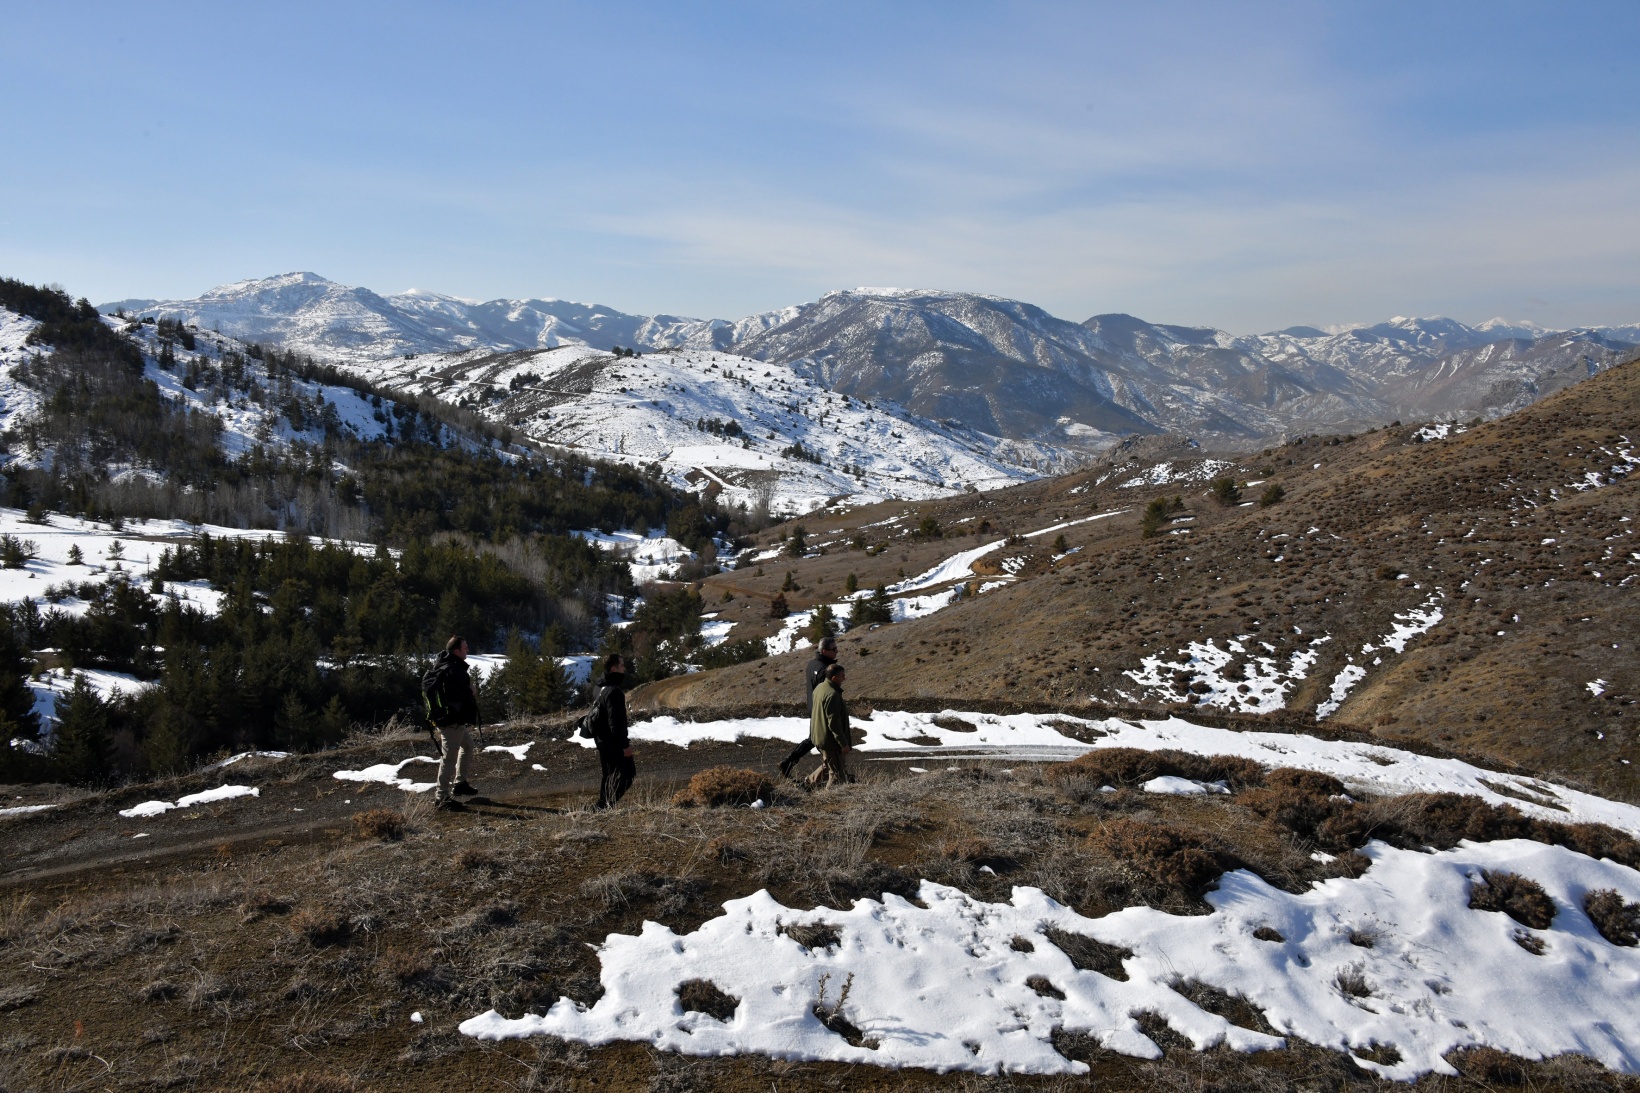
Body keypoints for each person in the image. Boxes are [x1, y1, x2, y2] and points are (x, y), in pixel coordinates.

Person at [428, 635, 481, 811]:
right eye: (465, 648)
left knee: (468, 745)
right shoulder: (454, 670)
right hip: (452, 721)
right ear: (456, 651)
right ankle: (441, 797)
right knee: (449, 757)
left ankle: (460, 784)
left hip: (449, 719)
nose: (468, 650)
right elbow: (456, 696)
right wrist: (470, 691)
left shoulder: (444, 664)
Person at [777, 635, 837, 779]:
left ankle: (789, 763)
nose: (837, 651)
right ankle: (834, 773)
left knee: (814, 739)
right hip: (821, 710)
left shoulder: (812, 664)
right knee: (825, 740)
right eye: (834, 649)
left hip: (813, 706)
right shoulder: (825, 670)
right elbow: (826, 693)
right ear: (824, 651)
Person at [590, 653, 635, 809]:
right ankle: (605, 806)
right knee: (628, 773)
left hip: (601, 739)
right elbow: (616, 723)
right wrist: (625, 745)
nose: (624, 668)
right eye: (622, 665)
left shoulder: (599, 686)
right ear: (614, 668)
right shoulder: (614, 691)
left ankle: (602, 805)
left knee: (609, 774)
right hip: (612, 741)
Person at [806, 662, 853, 790]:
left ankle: (808, 782)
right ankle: (830, 797)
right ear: (834, 678)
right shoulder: (832, 694)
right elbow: (834, 724)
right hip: (830, 741)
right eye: (842, 676)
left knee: (828, 764)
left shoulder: (819, 688)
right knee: (837, 775)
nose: (844, 678)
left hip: (819, 736)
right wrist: (843, 744)